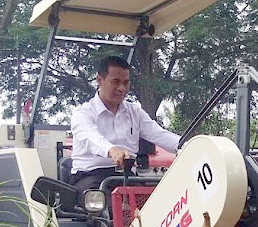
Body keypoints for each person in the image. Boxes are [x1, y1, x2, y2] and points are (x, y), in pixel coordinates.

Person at [69, 55, 181, 193]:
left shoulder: (135, 112)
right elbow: (91, 138)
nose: (122, 88)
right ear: (99, 80)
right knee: (110, 210)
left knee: (151, 207)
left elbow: (159, 134)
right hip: (90, 177)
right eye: (115, 82)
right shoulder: (82, 113)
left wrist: (190, 146)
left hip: (126, 176)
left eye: (126, 82)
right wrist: (112, 150)